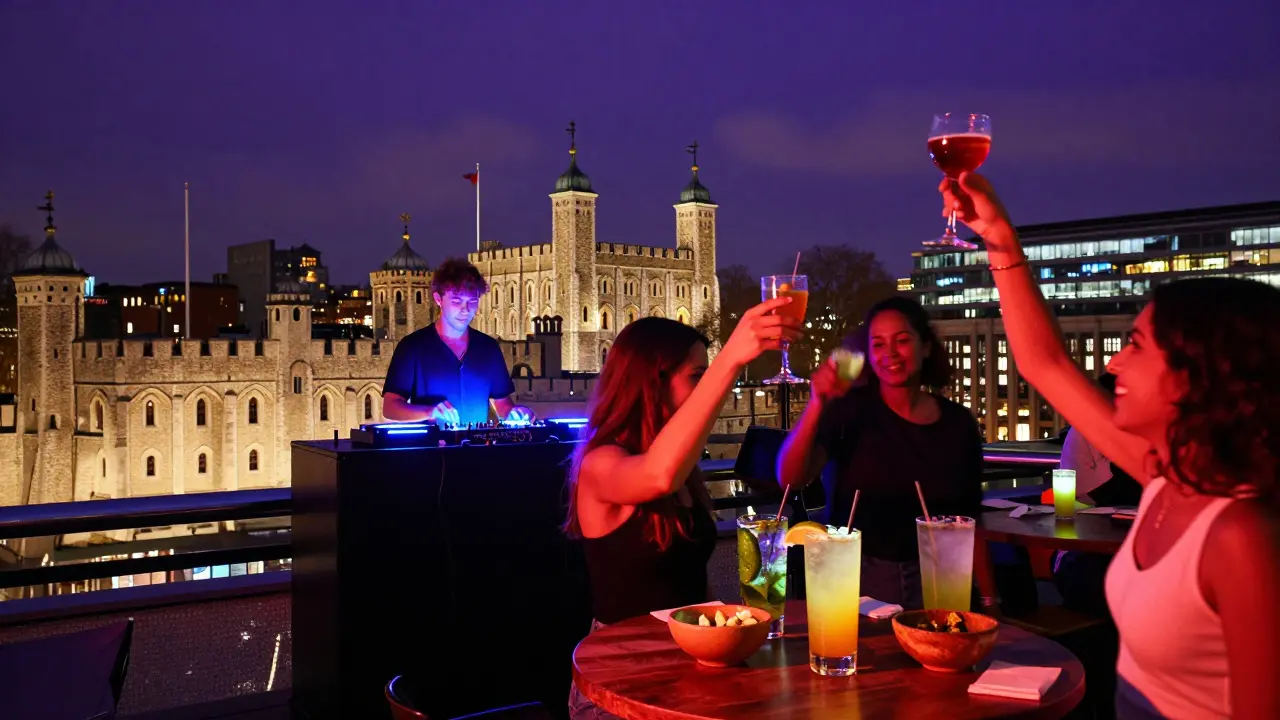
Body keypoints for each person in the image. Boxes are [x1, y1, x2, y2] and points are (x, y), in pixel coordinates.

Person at [940, 171, 1280, 719]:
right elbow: (1044, 364)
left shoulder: (1241, 536)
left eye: (1136, 346)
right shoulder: (1166, 479)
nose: (1111, 363)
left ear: (1197, 375)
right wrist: (1000, 240)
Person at [565, 300, 803, 720]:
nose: (706, 386)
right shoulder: (600, 464)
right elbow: (658, 476)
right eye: (696, 376)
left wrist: (737, 630)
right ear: (651, 382)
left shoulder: (685, 470)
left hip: (688, 665)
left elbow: (690, 588)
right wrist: (730, 359)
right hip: (619, 676)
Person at [775, 296, 985, 609]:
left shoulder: (958, 423)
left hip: (944, 577)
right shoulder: (850, 411)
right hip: (862, 578)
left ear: (925, 347)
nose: (890, 354)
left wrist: (990, 597)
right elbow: (791, 478)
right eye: (878, 344)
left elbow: (972, 520)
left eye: (902, 340)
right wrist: (817, 402)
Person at [381, 258, 533, 426]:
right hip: (429, 449)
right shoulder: (412, 347)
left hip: (476, 450)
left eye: (472, 302)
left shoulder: (488, 348)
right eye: (456, 301)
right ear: (438, 299)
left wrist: (516, 414)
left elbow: (503, 405)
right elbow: (390, 407)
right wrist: (430, 412)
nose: (465, 310)